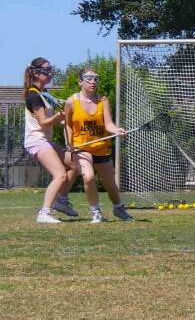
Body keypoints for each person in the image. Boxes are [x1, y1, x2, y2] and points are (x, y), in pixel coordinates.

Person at [64, 68, 134, 223]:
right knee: (88, 177)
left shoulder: (103, 100)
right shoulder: (71, 101)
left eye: (96, 78)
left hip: (101, 147)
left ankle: (118, 208)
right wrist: (69, 143)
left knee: (110, 185)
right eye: (88, 78)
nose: (93, 81)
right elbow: (67, 125)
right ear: (80, 81)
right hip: (81, 146)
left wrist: (117, 130)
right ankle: (95, 212)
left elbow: (108, 124)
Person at [22, 57, 78, 223]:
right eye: (47, 70)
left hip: (45, 140)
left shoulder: (44, 94)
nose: (50, 73)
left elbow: (52, 121)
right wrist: (58, 117)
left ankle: (61, 201)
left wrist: (66, 120)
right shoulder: (34, 96)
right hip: (36, 141)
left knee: (75, 165)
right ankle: (44, 213)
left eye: (51, 69)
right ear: (36, 73)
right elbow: (44, 123)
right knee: (60, 175)